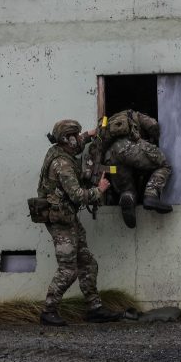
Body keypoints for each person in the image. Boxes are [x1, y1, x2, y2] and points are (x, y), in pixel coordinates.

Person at [37, 119, 122, 326]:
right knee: (68, 269)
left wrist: (90, 135)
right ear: (67, 139)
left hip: (68, 218)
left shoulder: (60, 149)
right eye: (75, 136)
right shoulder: (62, 164)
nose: (78, 139)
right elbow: (77, 195)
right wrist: (100, 189)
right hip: (60, 221)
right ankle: (48, 311)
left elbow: (77, 144)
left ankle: (95, 309)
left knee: (88, 264)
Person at [101, 110, 173, 228]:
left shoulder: (107, 124)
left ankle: (127, 196)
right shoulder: (135, 115)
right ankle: (151, 194)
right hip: (129, 149)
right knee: (164, 165)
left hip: (110, 158)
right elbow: (153, 126)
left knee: (126, 188)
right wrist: (153, 138)